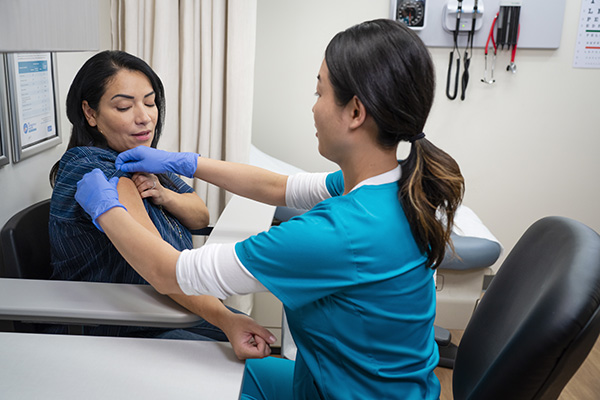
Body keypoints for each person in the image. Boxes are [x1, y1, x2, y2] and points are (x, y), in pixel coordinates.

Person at [75, 19, 464, 399]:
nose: (313, 108)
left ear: (356, 112)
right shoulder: (395, 186)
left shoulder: (336, 233)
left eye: (320, 93)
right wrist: (187, 162)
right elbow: (279, 186)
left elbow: (169, 272)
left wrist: (105, 207)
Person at [48, 50, 274, 360]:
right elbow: (162, 269)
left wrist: (163, 194)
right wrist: (226, 318)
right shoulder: (98, 171)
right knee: (249, 360)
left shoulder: (140, 158)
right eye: (124, 106)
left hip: (166, 303)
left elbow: (200, 215)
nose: (144, 117)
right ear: (90, 113)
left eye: (150, 102)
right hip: (121, 324)